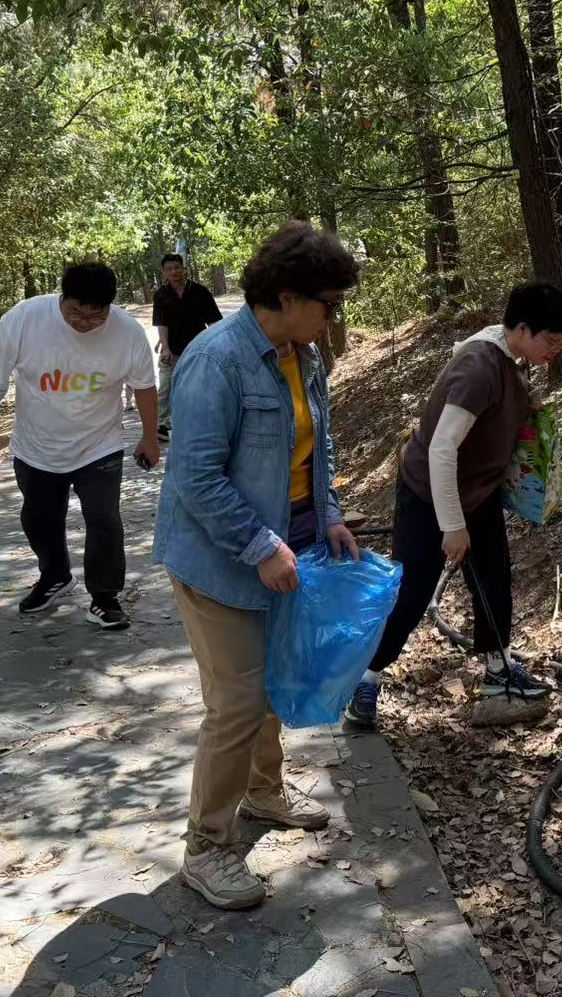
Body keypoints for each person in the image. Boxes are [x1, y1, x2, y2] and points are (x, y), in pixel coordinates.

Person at [154, 221, 362, 910]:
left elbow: (318, 449)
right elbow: (195, 476)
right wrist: (260, 546)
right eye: (327, 303)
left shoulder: (305, 356)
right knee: (236, 702)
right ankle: (206, 847)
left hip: (286, 545)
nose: (333, 317)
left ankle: (264, 792)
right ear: (286, 296)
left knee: (268, 683)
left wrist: (328, 514)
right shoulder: (217, 360)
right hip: (218, 561)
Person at [344, 282, 562, 731]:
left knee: (493, 579)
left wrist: (525, 404)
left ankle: (498, 671)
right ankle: (365, 679)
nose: (556, 351)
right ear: (522, 328)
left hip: (477, 491)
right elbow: (442, 448)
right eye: (551, 340)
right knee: (413, 591)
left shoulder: (513, 357)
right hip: (429, 491)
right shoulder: (478, 366)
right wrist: (451, 525)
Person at [0, 262, 159, 631]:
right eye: (74, 313)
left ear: (110, 307)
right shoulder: (26, 317)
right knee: (38, 519)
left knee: (104, 520)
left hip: (99, 445)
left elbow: (144, 387)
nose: (83, 323)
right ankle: (55, 575)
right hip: (36, 446)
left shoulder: (127, 331)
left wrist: (149, 437)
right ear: (62, 298)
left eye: (95, 316)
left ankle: (105, 597)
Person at [152, 252, 223, 439]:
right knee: (165, 387)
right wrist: (165, 348)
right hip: (172, 350)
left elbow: (214, 322)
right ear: (164, 272)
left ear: (184, 269)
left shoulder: (200, 292)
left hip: (199, 349)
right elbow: (161, 324)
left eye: (177, 267)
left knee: (199, 386)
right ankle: (162, 425)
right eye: (169, 269)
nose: (174, 272)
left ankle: (201, 422)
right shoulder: (161, 295)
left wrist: (214, 346)